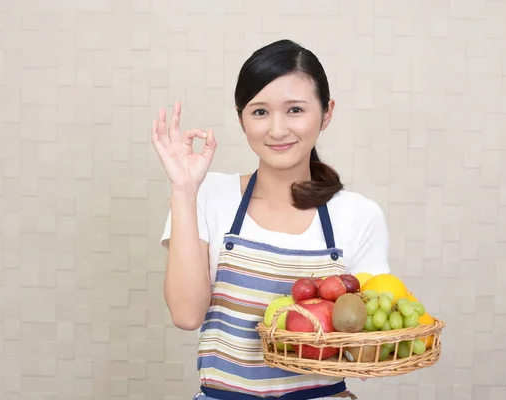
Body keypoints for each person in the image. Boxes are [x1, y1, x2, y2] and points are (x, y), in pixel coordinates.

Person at [152, 39, 390, 400]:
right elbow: (187, 316)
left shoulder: (357, 214)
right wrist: (183, 190)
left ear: (327, 113)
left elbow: (366, 338)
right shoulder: (208, 195)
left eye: (295, 110)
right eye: (260, 112)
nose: (277, 130)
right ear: (241, 118)